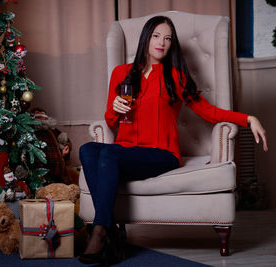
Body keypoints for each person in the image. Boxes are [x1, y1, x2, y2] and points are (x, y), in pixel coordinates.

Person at [78, 16, 268, 265]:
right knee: (88, 150)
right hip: (125, 151)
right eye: (157, 36)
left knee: (108, 154)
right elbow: (112, 122)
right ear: (146, 38)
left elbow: (208, 111)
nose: (162, 42)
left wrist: (248, 118)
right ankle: (111, 233)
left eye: (168, 38)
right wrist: (114, 108)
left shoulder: (175, 77)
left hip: (161, 154)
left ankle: (101, 232)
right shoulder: (121, 74)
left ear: (172, 44)